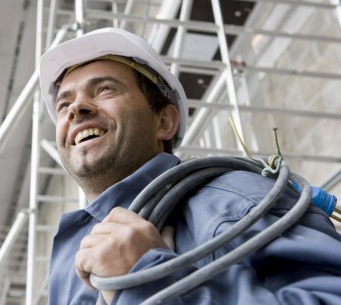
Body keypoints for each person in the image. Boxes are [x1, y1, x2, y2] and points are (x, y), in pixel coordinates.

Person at [38, 27, 341, 304]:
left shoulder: (235, 200)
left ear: (164, 121)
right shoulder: (68, 259)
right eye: (64, 105)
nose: (75, 109)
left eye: (105, 89)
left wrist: (149, 279)